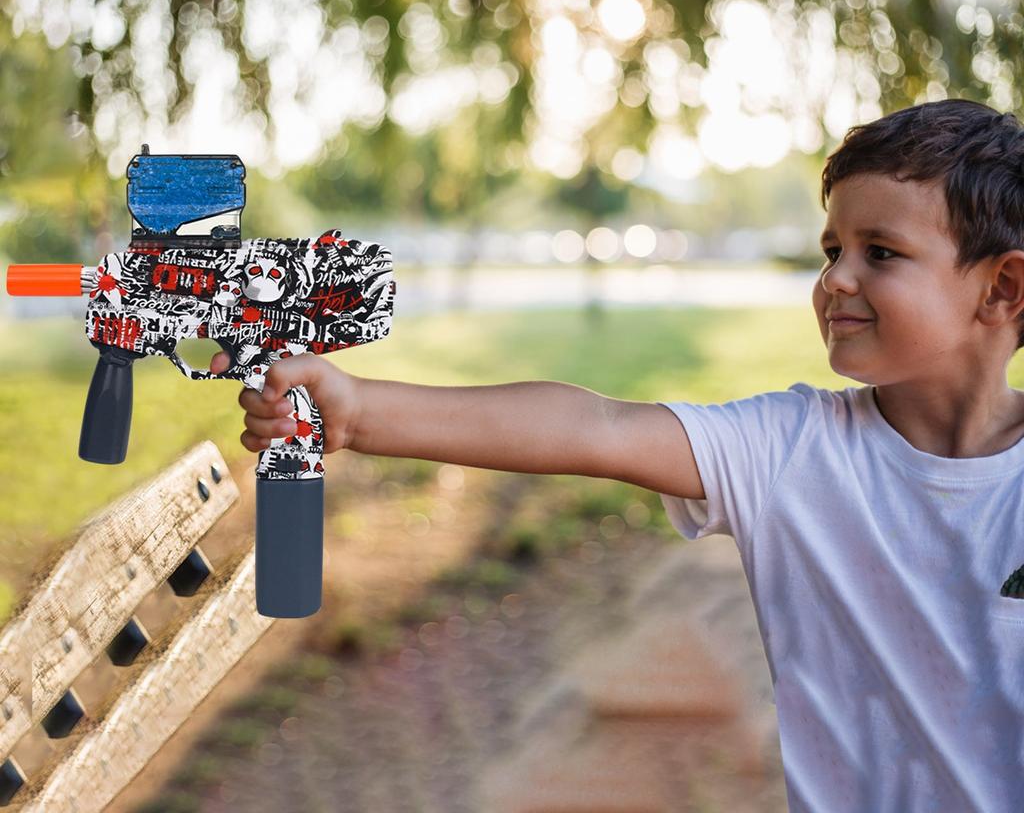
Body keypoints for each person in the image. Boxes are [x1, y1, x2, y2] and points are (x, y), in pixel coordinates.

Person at [210, 98, 1024, 812]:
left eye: (879, 252)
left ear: (1002, 289)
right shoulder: (789, 450)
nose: (836, 279)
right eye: (830, 250)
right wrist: (356, 411)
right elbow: (593, 428)